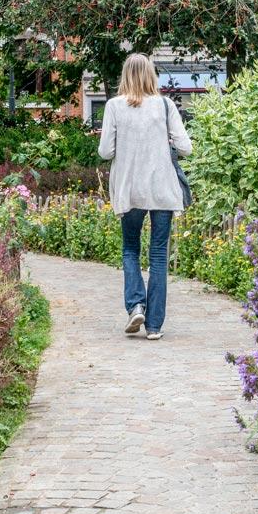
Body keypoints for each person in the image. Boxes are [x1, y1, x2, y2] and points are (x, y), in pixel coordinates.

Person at [97, 53, 192, 341]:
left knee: (130, 249)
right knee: (159, 255)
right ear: (151, 75)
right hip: (161, 189)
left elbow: (105, 152)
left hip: (129, 189)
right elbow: (186, 148)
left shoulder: (114, 106)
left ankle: (136, 305)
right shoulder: (165, 106)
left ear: (124, 75)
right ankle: (154, 326)